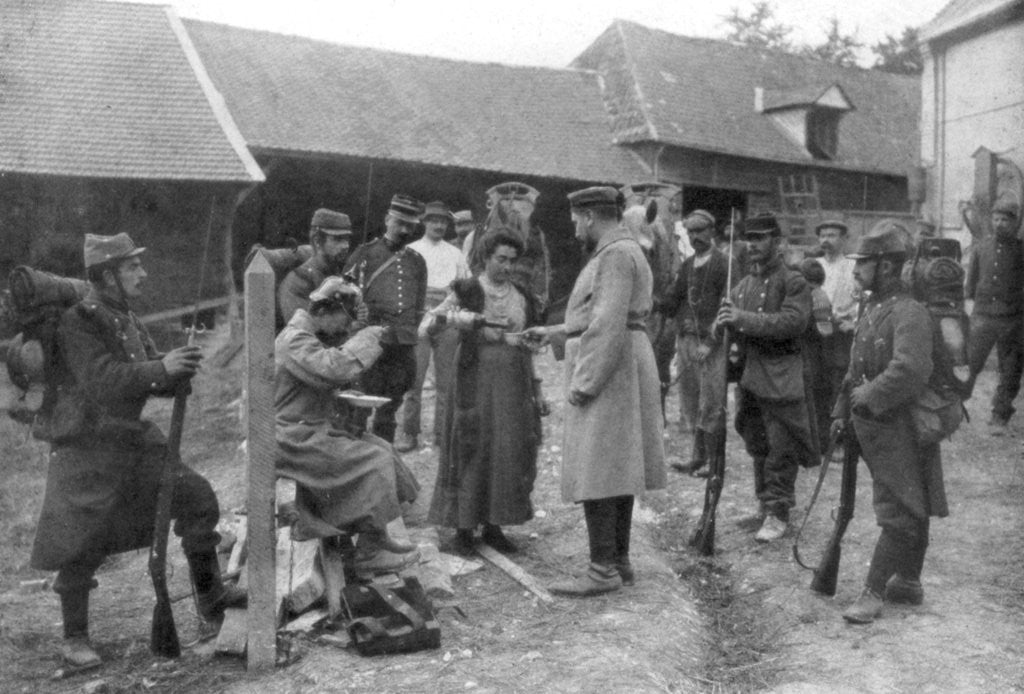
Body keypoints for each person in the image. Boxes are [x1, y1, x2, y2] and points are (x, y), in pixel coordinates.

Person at [30, 233, 243, 669]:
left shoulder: (124, 315)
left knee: (198, 497)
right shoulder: (80, 320)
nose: (143, 274)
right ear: (108, 275)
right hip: (86, 448)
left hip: (130, 440)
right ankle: (74, 639)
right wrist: (158, 370)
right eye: (133, 267)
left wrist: (173, 368)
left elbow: (145, 370)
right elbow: (104, 381)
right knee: (82, 542)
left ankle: (210, 600)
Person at [525, 186, 666, 596]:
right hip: (622, 360)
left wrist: (584, 382)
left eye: (575, 220)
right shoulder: (620, 251)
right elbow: (598, 314)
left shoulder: (616, 255)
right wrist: (554, 333)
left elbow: (606, 324)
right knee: (616, 466)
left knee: (597, 466)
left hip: (611, 365)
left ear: (588, 217)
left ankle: (602, 568)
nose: (573, 229)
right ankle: (618, 562)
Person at [834, 220, 949, 624]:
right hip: (872, 425)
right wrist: (839, 411)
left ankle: (873, 592)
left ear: (885, 266)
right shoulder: (874, 308)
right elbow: (854, 367)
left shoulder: (910, 312)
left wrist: (869, 395)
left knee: (900, 505)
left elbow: (911, 369)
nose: (855, 270)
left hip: (899, 425)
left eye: (863, 263)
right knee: (911, 497)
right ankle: (909, 580)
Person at [274, 277, 419, 574]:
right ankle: (367, 555)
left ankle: (375, 535)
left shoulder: (306, 336)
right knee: (373, 461)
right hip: (291, 438)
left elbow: (313, 383)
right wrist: (368, 338)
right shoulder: (295, 339)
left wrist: (342, 397)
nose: (344, 328)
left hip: (307, 430)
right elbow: (332, 369)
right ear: (324, 311)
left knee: (381, 447)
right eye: (345, 319)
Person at [426, 232, 547, 554]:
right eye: (500, 259)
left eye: (512, 260)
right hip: (474, 381)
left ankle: (494, 524)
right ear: (485, 257)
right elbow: (430, 324)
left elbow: (528, 346)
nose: (507, 266)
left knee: (505, 450)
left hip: (512, 383)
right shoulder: (467, 289)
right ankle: (464, 528)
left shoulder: (522, 295)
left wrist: (538, 389)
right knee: (472, 446)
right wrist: (465, 322)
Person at [716, 213, 818, 543]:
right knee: (756, 442)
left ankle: (778, 511)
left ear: (778, 243)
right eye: (750, 239)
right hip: (750, 375)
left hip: (781, 376)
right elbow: (728, 323)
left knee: (781, 446)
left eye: (761, 238)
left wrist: (742, 318)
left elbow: (793, 322)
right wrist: (721, 324)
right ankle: (764, 505)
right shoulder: (744, 284)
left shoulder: (794, 281)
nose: (753, 245)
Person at [343, 194, 428, 442]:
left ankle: (384, 456)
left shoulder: (417, 261)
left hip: (402, 344)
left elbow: (419, 304)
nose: (404, 229)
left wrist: (410, 330)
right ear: (387, 219)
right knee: (360, 405)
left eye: (409, 225)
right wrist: (356, 319)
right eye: (399, 222)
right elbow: (345, 294)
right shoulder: (365, 254)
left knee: (390, 407)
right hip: (371, 343)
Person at [395, 201, 471, 453]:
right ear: (424, 222)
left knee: (446, 381)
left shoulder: (456, 253)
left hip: (447, 318)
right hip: (419, 319)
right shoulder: (411, 250)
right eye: (433, 220)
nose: (438, 225)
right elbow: (402, 287)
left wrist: (451, 308)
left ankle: (443, 433)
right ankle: (409, 432)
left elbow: (466, 286)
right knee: (414, 380)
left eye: (443, 221)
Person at [660, 210, 731, 474]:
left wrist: (710, 342)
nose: (695, 237)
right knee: (691, 400)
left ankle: (715, 463)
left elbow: (728, 308)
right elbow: (674, 300)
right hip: (687, 343)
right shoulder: (688, 265)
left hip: (711, 346)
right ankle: (697, 458)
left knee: (712, 402)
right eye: (690, 232)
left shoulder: (725, 264)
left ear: (712, 231)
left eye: (700, 231)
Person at [964, 201, 1023, 434]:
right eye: (996, 219)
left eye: (1005, 220)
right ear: (992, 220)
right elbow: (972, 281)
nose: (1000, 224)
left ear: (1014, 222)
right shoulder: (981, 247)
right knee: (969, 364)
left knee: (1010, 370)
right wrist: (971, 309)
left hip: (1013, 319)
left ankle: (1000, 416)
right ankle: (953, 407)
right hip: (983, 317)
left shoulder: (1021, 249)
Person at [464, 182, 551, 310]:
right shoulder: (476, 236)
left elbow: (542, 273)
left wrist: (535, 303)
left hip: (522, 305)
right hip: (483, 303)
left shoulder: (536, 238)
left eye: (521, 208)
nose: (514, 211)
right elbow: (467, 270)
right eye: (507, 206)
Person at [814, 220, 858, 446]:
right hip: (815, 334)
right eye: (822, 235)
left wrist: (853, 322)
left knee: (838, 383)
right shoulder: (813, 264)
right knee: (815, 382)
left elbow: (864, 299)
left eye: (831, 235)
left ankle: (837, 441)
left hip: (841, 334)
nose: (825, 240)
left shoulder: (852, 266)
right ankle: (819, 438)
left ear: (844, 239)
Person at [277, 208, 353, 327]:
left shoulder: (340, 276)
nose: (346, 246)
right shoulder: (297, 282)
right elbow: (302, 330)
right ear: (317, 241)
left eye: (347, 239)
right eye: (337, 239)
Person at [799, 257, 835, 451]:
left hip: (815, 353)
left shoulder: (818, 296)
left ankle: (820, 442)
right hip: (808, 352)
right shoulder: (811, 295)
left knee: (816, 397)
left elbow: (825, 330)